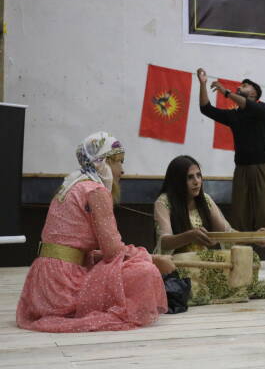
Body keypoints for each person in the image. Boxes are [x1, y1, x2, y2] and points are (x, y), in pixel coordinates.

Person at [16, 132, 170, 332]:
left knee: (130, 265)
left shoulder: (70, 186)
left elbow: (79, 248)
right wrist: (150, 258)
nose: (122, 170)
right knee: (144, 271)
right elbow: (113, 251)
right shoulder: (95, 191)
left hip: (43, 284)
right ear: (103, 162)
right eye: (119, 162)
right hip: (64, 285)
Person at [153, 155, 265, 305]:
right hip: (179, 264)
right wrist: (190, 236)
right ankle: (222, 290)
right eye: (190, 177)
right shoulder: (163, 202)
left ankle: (220, 289)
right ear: (177, 180)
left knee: (251, 257)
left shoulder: (205, 200)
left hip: (204, 262)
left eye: (199, 175)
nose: (197, 181)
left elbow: (227, 234)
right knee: (190, 280)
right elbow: (164, 242)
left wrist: (254, 237)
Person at [196, 68, 265, 269]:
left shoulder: (262, 109)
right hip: (242, 169)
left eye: (245, 85)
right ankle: (243, 256)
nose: (241, 86)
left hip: (263, 168)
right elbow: (206, 109)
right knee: (241, 213)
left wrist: (226, 92)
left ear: (255, 92)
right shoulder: (235, 115)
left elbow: (249, 106)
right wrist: (202, 84)